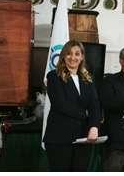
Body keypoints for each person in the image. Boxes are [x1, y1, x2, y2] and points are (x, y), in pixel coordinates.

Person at [43, 40, 102, 172]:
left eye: (77, 54)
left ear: (82, 57)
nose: (73, 57)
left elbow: (95, 105)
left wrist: (94, 126)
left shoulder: (88, 78)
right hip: (59, 139)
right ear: (63, 56)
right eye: (69, 53)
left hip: (83, 138)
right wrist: (86, 115)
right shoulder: (53, 76)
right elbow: (60, 104)